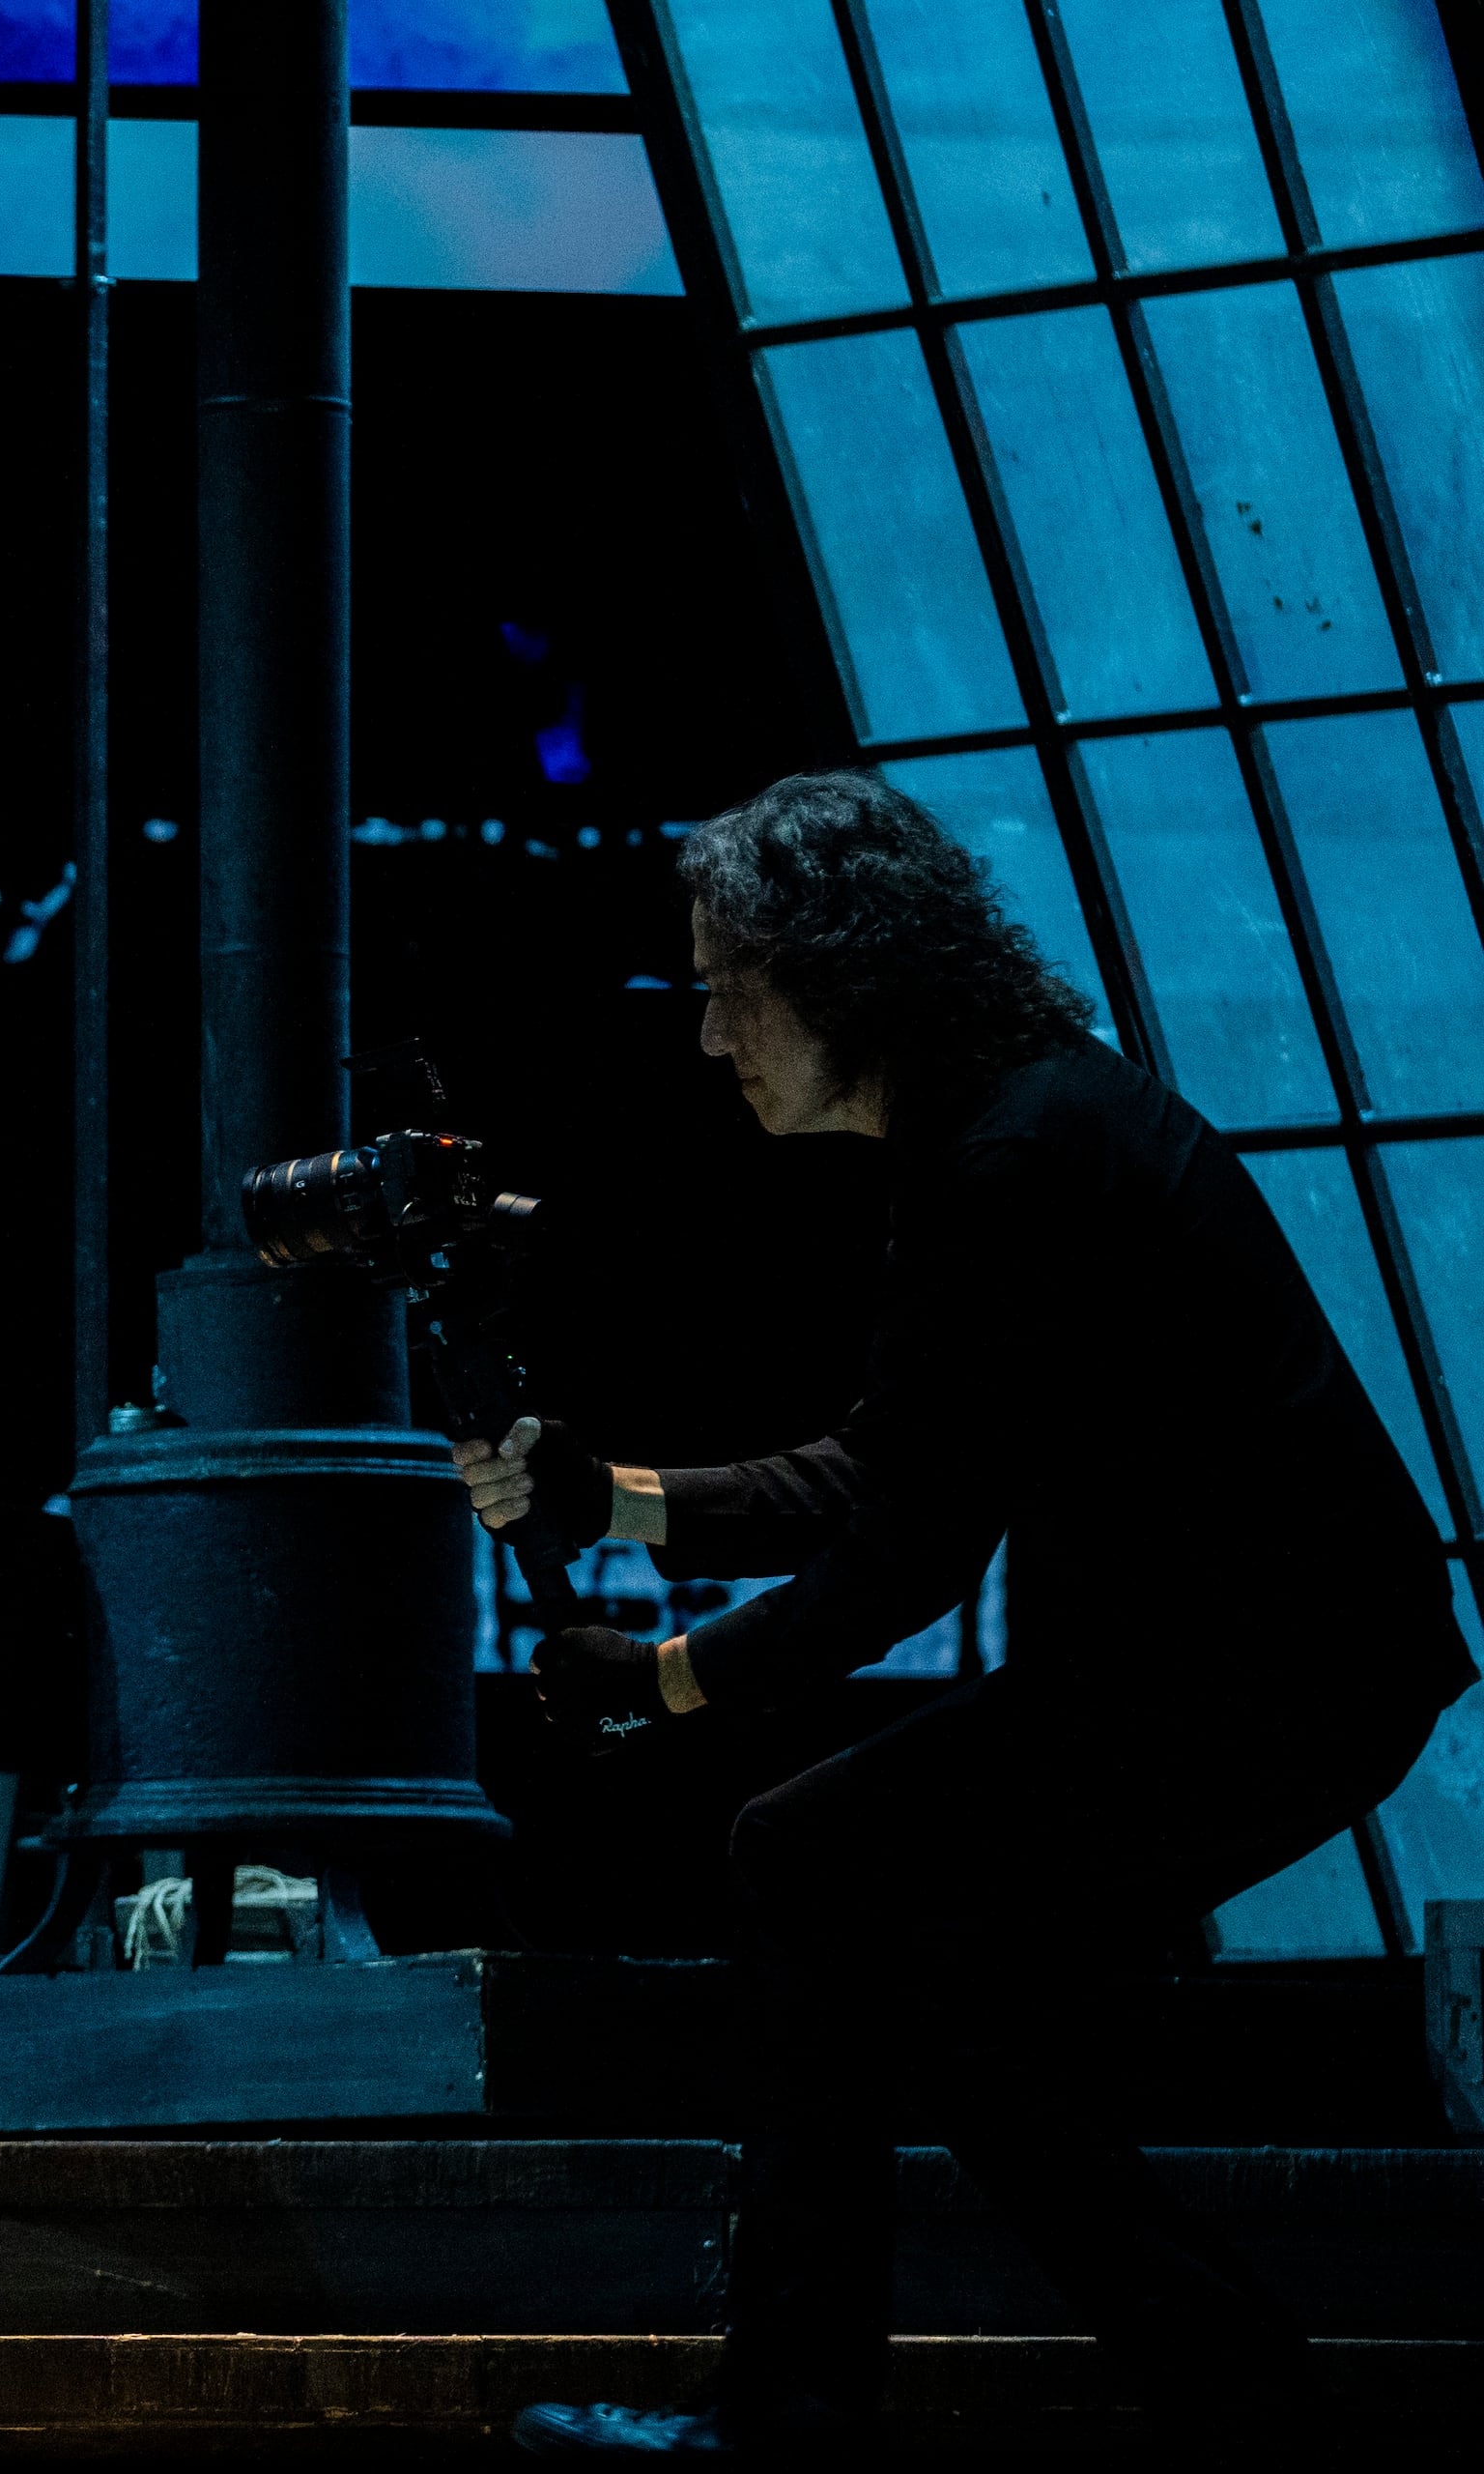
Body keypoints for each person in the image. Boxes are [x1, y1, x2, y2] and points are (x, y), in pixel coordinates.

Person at [473, 775, 1470, 2464]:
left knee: (806, 1859)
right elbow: (894, 1466)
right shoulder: (1010, 1127)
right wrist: (614, 1494)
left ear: (837, 973)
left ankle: (797, 2418)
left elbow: (902, 1561)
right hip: (1265, 1673)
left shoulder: (1012, 1163)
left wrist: (659, 1682)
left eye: (729, 988)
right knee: (947, 2003)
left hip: (1262, 1683)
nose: (710, 1037)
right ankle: (1238, 2405)